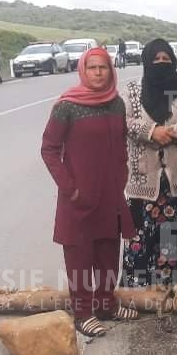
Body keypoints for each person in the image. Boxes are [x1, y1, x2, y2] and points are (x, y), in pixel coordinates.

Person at [41, 47, 139, 338]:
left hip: (110, 193)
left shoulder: (116, 104)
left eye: (103, 67)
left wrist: (122, 176)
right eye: (93, 68)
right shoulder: (67, 106)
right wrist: (70, 189)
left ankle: (106, 305)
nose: (98, 73)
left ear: (111, 70)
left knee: (109, 252)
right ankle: (83, 313)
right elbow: (49, 149)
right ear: (83, 70)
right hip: (79, 197)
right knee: (80, 255)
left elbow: (121, 143)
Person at [121, 39, 177, 287]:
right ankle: (140, 291)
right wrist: (151, 131)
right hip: (143, 180)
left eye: (165, 60)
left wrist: (168, 132)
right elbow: (124, 121)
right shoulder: (132, 91)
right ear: (147, 62)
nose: (161, 64)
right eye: (156, 60)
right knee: (142, 235)